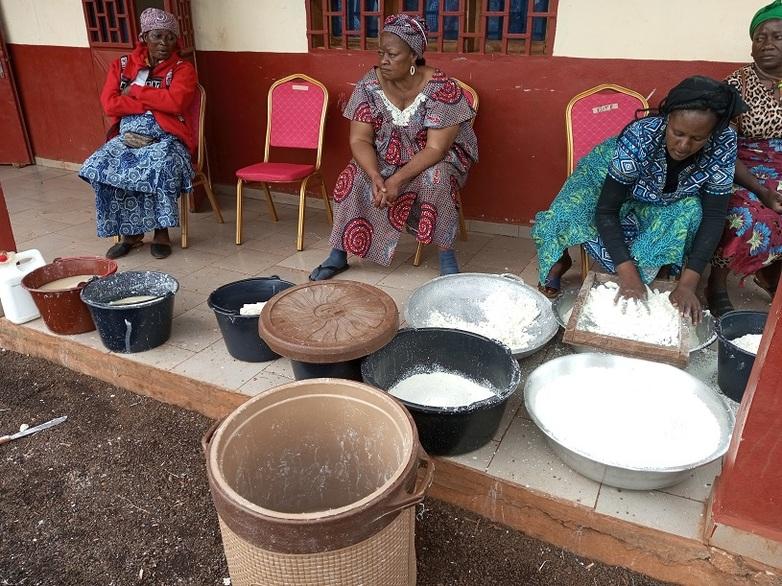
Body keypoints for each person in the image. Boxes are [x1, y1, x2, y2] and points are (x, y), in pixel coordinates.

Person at [531, 76, 746, 323]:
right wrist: (627, 273)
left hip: (662, 195)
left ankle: (665, 271)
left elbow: (714, 215)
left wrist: (689, 283)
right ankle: (560, 260)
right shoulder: (640, 136)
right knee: (564, 218)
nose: (684, 145)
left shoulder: (724, 141)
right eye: (678, 133)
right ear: (667, 119)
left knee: (690, 212)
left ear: (713, 132)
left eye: (697, 138)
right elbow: (606, 210)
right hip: (602, 181)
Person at [309, 14, 478, 281]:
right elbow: (360, 140)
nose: (383, 60)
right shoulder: (368, 85)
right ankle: (339, 253)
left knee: (436, 179)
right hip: (386, 154)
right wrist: (377, 175)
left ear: (413, 56)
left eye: (392, 54)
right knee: (354, 175)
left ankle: (446, 255)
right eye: (380, 53)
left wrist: (397, 179)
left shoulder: (442, 88)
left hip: (436, 157)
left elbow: (436, 149)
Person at [80, 8, 197, 260]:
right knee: (102, 165)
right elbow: (110, 104)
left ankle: (161, 232)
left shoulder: (181, 69)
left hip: (167, 139)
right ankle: (130, 234)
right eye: (157, 36)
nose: (164, 43)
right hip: (127, 138)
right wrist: (155, 101)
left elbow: (176, 103)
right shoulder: (123, 66)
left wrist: (135, 93)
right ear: (144, 37)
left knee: (161, 165)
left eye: (169, 37)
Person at [707, 0, 782, 315]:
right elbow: (722, 146)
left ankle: (769, 271)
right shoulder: (736, 84)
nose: (767, 44)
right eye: (759, 37)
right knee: (750, 214)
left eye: (777, 36)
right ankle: (717, 281)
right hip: (741, 168)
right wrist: (762, 189)